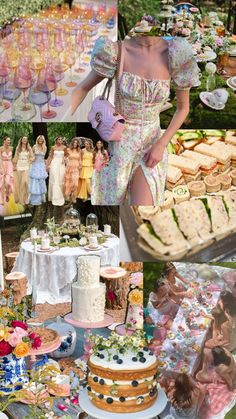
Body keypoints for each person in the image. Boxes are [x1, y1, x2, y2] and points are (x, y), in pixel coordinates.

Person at [71, 16, 199, 205]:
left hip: (153, 142)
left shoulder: (176, 53)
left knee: (143, 208)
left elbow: (183, 107)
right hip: (120, 142)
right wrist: (65, 112)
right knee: (115, 204)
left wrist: (162, 144)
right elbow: (82, 89)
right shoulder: (115, 51)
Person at [13, 136, 34, 205]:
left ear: (27, 141)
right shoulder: (18, 148)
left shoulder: (29, 148)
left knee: (25, 182)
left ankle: (26, 198)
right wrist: (14, 165)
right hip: (19, 165)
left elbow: (32, 157)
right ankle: (21, 200)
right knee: (20, 183)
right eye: (23, 139)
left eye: (26, 139)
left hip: (26, 166)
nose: (25, 140)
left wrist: (30, 161)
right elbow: (15, 157)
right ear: (21, 140)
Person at [47, 136, 67, 206]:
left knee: (61, 179)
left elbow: (66, 155)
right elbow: (50, 156)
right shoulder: (53, 147)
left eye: (61, 139)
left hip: (61, 165)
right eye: (59, 139)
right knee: (55, 179)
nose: (60, 140)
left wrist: (64, 159)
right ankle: (54, 196)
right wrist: (47, 165)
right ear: (56, 140)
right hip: (54, 164)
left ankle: (61, 195)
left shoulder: (64, 147)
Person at [28, 135, 48, 206]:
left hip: (41, 165)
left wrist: (46, 166)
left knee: (41, 181)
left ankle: (42, 198)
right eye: (39, 139)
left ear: (43, 140)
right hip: (35, 165)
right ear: (37, 139)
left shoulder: (45, 147)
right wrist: (32, 159)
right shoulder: (34, 146)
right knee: (34, 181)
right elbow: (32, 156)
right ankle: (33, 198)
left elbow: (43, 157)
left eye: (42, 139)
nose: (40, 140)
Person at [64, 138, 81, 203]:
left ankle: (73, 196)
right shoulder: (68, 149)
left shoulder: (79, 151)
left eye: (76, 143)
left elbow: (80, 159)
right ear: (72, 143)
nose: (75, 144)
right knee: (69, 181)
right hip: (69, 167)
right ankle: (68, 195)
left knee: (75, 183)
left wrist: (80, 166)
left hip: (76, 168)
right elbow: (65, 157)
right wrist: (66, 160)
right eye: (74, 143)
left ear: (77, 144)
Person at [0, 137, 14, 204]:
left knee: (8, 182)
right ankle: (2, 200)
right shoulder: (1, 148)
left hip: (9, 165)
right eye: (8, 140)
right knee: (2, 183)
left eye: (9, 140)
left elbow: (12, 158)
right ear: (4, 141)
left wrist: (14, 166)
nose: (9, 141)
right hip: (2, 165)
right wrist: (1, 168)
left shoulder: (11, 148)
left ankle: (7, 194)